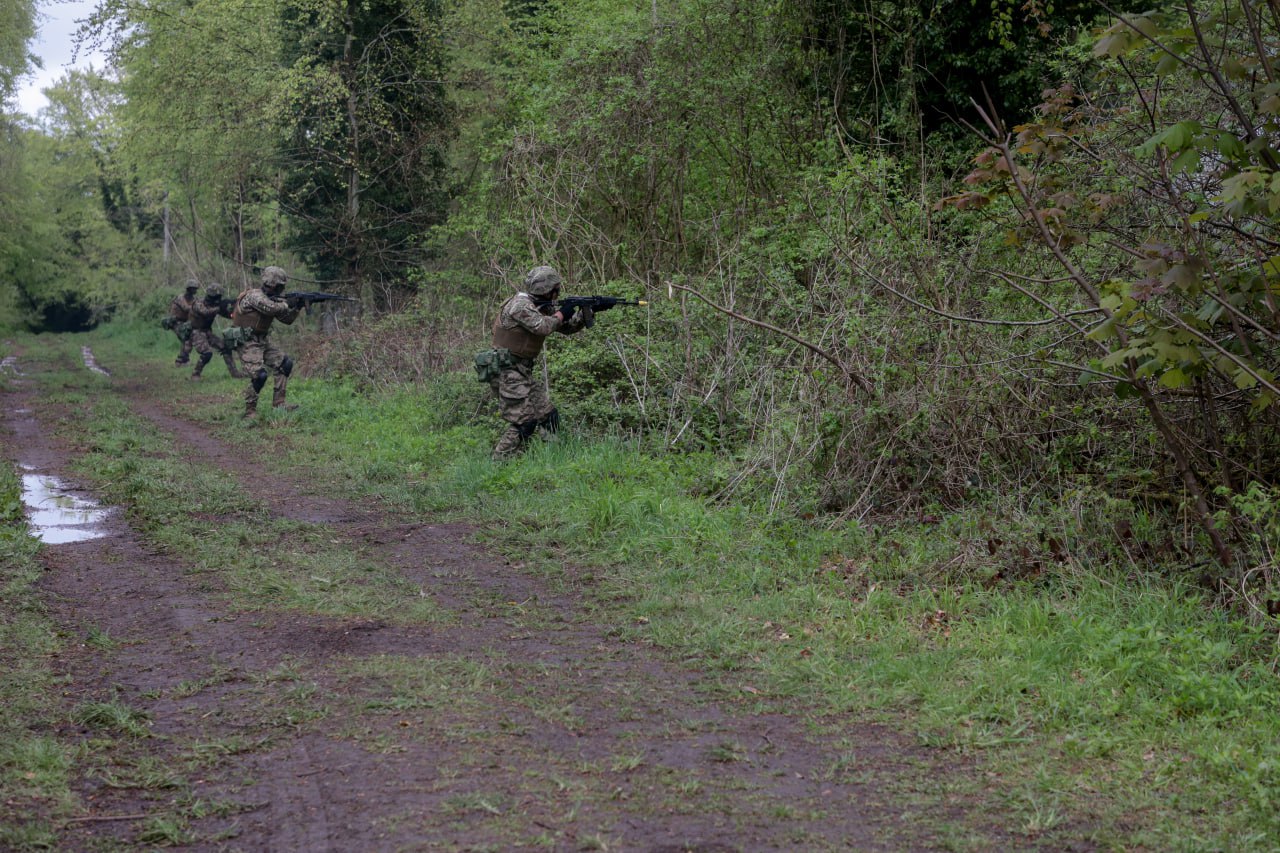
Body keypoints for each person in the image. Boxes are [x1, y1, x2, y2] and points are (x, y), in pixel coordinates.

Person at [488, 265, 591, 460]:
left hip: (520, 372)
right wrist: (563, 311)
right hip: (506, 372)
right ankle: (499, 464)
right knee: (524, 423)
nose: (557, 293)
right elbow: (544, 327)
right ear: (549, 290)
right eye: (556, 290)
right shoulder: (520, 305)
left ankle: (552, 459)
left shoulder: (540, 305)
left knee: (548, 415)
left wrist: (586, 313)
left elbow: (565, 328)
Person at [231, 266, 300, 417]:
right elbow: (271, 309)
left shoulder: (273, 300)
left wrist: (297, 307)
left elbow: (286, 319)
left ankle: (279, 404)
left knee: (285, 363)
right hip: (246, 342)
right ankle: (250, 411)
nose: (282, 289)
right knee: (260, 375)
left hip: (262, 340)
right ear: (274, 284)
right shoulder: (254, 296)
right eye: (281, 286)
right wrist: (288, 303)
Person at [188, 283, 246, 379]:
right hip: (196, 332)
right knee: (207, 353)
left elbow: (228, 315)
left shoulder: (215, 305)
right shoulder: (198, 303)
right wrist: (220, 307)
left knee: (225, 348)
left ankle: (235, 374)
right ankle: (195, 374)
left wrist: (234, 310)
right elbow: (205, 312)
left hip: (207, 332)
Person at [166, 280, 199, 366]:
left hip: (184, 322)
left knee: (188, 338)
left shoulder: (193, 299)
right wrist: (197, 307)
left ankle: (183, 360)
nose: (195, 291)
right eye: (194, 289)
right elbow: (186, 308)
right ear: (189, 289)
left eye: (196, 289)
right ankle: (181, 360)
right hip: (175, 322)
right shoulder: (181, 298)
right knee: (186, 337)